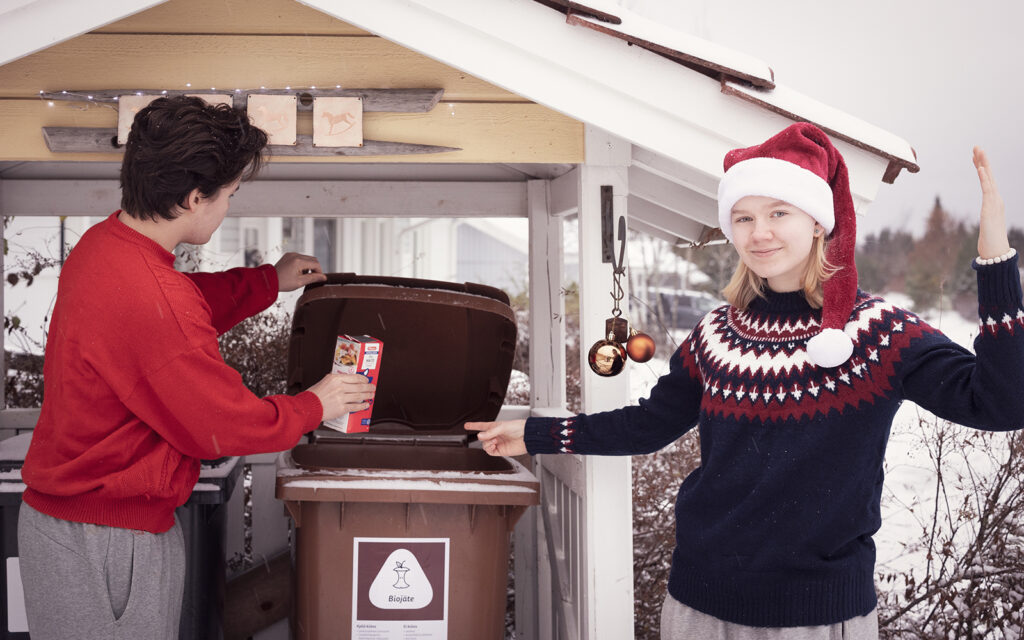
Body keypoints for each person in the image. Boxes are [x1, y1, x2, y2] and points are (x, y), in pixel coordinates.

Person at [467, 122, 1024, 639]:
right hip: (702, 604)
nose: (760, 234)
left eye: (779, 213)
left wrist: (996, 263)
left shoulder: (876, 333)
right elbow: (649, 425)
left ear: (817, 221)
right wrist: (535, 436)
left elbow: (1001, 404)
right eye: (744, 217)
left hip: (819, 615)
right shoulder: (717, 332)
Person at [17, 95, 375, 639]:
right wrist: (315, 404)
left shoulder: (104, 246)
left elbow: (179, 306)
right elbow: (222, 425)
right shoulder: (152, 298)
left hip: (68, 526)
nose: (228, 206)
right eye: (229, 195)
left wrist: (266, 282)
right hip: (109, 540)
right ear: (193, 198)